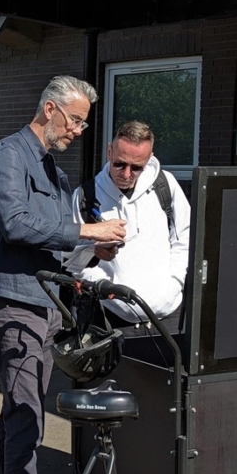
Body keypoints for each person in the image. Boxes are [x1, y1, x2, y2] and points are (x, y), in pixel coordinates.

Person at [0, 75, 126, 474]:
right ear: (49, 109)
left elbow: (62, 241)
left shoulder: (55, 172)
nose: (80, 130)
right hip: (15, 301)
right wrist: (88, 233)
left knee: (17, 412)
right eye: (76, 120)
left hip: (45, 303)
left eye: (84, 122)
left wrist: (92, 253)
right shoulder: (8, 155)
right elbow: (17, 225)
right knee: (26, 416)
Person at [72, 121, 191, 334]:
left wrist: (175, 283)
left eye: (137, 168)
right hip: (111, 318)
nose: (126, 174)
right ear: (109, 151)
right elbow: (71, 259)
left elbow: (185, 238)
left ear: (150, 158)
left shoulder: (165, 185)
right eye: (120, 164)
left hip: (169, 316)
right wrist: (102, 281)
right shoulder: (85, 197)